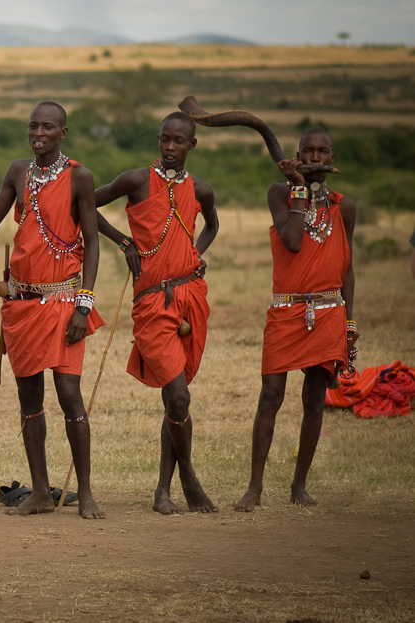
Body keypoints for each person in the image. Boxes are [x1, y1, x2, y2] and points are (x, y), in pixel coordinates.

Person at [94, 112, 220, 515]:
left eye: (178, 141)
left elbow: (212, 226)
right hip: (151, 302)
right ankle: (189, 479)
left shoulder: (201, 189)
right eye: (164, 139)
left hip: (190, 296)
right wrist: (121, 240)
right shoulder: (135, 180)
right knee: (179, 394)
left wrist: (197, 253)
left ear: (191, 146)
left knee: (175, 400)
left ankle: (163, 490)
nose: (169, 147)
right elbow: (85, 202)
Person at [0, 102, 105, 519]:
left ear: (63, 133)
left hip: (65, 302)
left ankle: (85, 492)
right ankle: (39, 491)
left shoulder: (80, 177)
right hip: (22, 305)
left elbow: (92, 242)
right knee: (29, 397)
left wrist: (83, 305)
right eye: (33, 125)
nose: (38, 132)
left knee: (70, 395)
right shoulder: (18, 172)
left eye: (48, 127)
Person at [235, 128, 357, 512]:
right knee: (270, 395)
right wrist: (300, 189)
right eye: (309, 150)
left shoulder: (344, 207)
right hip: (286, 311)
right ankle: (254, 488)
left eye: (323, 151)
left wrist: (349, 324)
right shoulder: (279, 193)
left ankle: (299, 486)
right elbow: (291, 241)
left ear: (331, 156)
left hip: (328, 313)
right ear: (297, 154)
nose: (316, 157)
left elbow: (347, 269)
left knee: (315, 399)